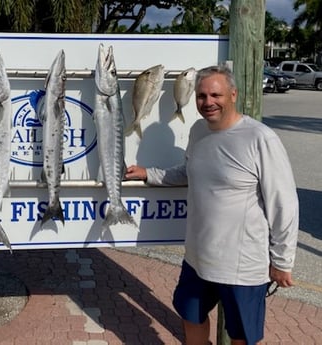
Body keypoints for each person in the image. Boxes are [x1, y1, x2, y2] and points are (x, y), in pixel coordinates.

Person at [125, 65, 299, 345]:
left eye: (215, 95)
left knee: (241, 335)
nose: (208, 102)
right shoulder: (198, 131)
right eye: (202, 96)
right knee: (190, 315)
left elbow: (285, 204)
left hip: (242, 265)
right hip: (198, 257)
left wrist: (282, 261)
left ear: (233, 95)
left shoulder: (260, 138)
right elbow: (188, 171)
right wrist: (149, 173)